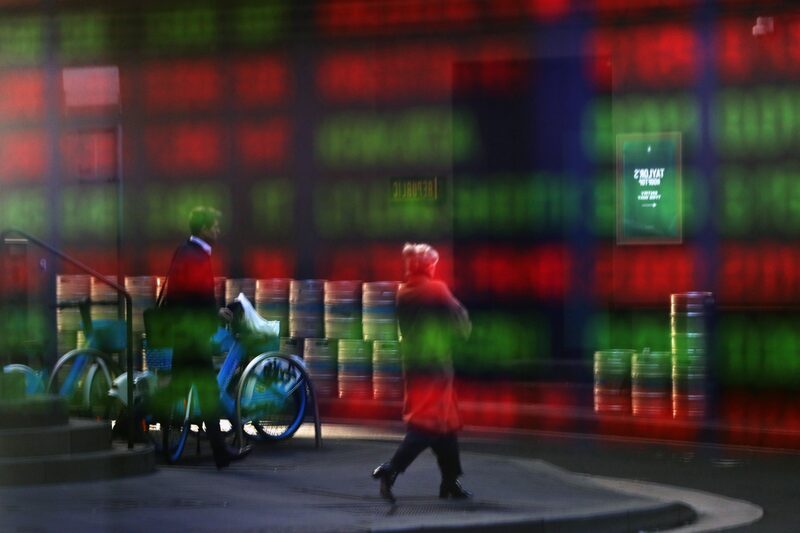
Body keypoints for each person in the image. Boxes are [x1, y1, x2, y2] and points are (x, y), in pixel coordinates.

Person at [372, 243, 472, 502]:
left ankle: (450, 481)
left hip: (414, 366)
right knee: (427, 425)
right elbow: (461, 322)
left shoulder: (403, 291)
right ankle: (391, 469)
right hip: (436, 368)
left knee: (446, 425)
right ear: (428, 266)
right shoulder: (436, 289)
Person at [161, 206, 246, 469]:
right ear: (204, 229)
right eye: (215, 226)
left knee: (180, 388)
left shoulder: (183, 250)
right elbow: (195, 295)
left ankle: (131, 422)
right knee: (207, 392)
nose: (218, 231)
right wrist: (214, 313)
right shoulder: (197, 256)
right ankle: (221, 452)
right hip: (193, 334)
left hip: (181, 331)